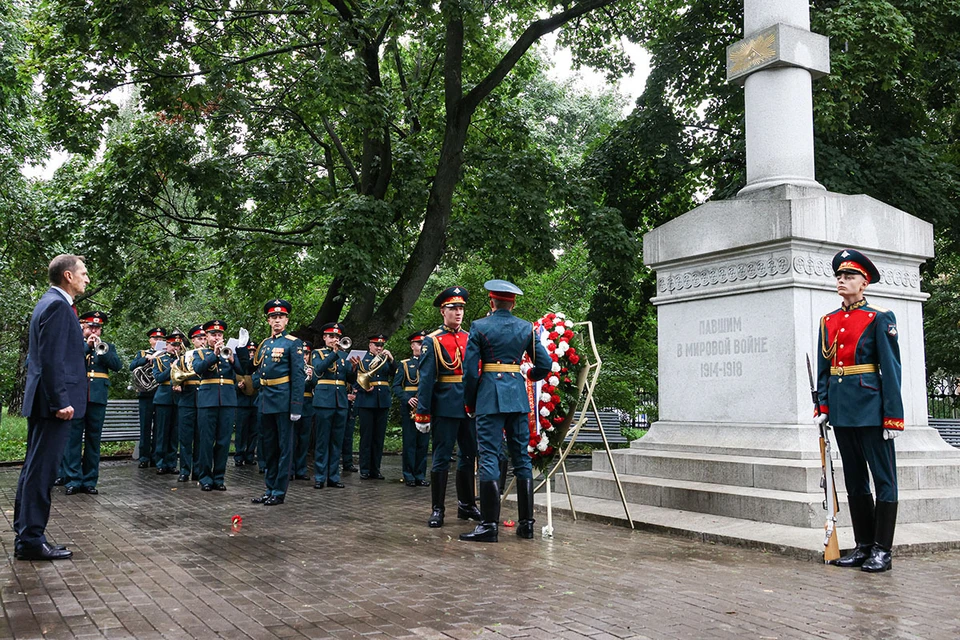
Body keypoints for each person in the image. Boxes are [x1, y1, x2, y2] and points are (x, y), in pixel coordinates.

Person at [816, 249, 903, 572]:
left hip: (871, 407)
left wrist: (893, 416)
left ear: (864, 283)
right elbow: (824, 369)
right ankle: (864, 545)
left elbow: (891, 370)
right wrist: (823, 406)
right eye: (839, 276)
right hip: (841, 410)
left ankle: (883, 549)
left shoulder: (880, 318)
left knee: (883, 479)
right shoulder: (829, 321)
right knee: (854, 480)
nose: (841, 280)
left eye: (849, 276)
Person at [460, 280, 551, 543]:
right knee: (521, 459)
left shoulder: (479, 326)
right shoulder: (526, 327)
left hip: (489, 397)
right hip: (518, 398)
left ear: (492, 302)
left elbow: (469, 371)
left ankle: (489, 526)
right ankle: (527, 525)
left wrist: (470, 400)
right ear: (512, 303)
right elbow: (543, 364)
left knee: (489, 456)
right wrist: (531, 374)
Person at [15, 254, 89, 561]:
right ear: (68, 276)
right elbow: (50, 360)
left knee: (34, 469)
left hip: (44, 402)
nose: (88, 278)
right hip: (52, 405)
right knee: (42, 471)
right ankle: (31, 539)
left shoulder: (50, 303)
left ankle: (27, 534)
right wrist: (61, 401)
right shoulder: (58, 306)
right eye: (83, 273)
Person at [414, 287, 481, 527]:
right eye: (453, 308)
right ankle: (438, 509)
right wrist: (422, 413)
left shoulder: (470, 337)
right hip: (444, 407)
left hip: (468, 407)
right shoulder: (432, 340)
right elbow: (427, 378)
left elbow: (475, 373)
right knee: (442, 457)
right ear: (443, 311)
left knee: (469, 455)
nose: (458, 312)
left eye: (461, 308)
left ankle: (466, 505)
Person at [250, 300, 306, 506]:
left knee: (285, 448)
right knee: (268, 448)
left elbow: (298, 377)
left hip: (283, 401)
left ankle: (279, 491)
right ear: (268, 321)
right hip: (265, 399)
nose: (276, 321)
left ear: (286, 320)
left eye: (280, 317)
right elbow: (258, 371)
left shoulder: (293, 343)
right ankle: (269, 487)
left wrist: (296, 406)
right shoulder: (265, 344)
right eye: (273, 318)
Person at [63, 311, 122, 495]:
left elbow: (117, 366)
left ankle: (89, 481)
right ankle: (73, 480)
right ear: (83, 328)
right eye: (90, 327)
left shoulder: (107, 346)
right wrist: (87, 347)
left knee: (93, 440)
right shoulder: (74, 345)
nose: (94, 330)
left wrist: (99, 350)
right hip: (77, 398)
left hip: (97, 398)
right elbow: (67, 363)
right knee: (73, 440)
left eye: (97, 328)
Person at [192, 320, 242, 491]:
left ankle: (219, 478)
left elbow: (242, 371)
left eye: (219, 335)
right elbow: (198, 369)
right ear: (206, 336)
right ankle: (205, 477)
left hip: (227, 400)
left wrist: (233, 358)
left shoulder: (229, 353)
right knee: (206, 441)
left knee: (223, 441)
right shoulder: (200, 353)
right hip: (207, 401)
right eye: (213, 335)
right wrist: (214, 354)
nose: (217, 337)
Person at [311, 323, 355, 489]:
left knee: (337, 441)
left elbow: (350, 379)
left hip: (340, 401)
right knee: (322, 440)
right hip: (324, 401)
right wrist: (335, 354)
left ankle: (333, 477)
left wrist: (355, 369)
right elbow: (319, 370)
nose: (335, 340)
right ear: (324, 338)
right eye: (331, 337)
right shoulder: (318, 353)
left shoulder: (345, 356)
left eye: (337, 337)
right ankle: (320, 477)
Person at [351, 334, 396, 480]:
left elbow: (396, 373)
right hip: (366, 400)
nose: (379, 348)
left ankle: (376, 469)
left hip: (382, 400)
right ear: (370, 345)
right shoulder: (362, 360)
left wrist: (392, 359)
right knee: (366, 437)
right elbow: (354, 380)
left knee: (379, 437)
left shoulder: (385, 360)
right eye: (376, 345)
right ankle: (364, 469)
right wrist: (363, 387)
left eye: (381, 346)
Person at [393, 331, 429, 487]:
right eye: (418, 343)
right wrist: (408, 398)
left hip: (426, 406)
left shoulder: (430, 363)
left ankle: (420, 475)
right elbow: (395, 386)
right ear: (412, 345)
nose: (421, 347)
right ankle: (409, 475)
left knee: (423, 442)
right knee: (410, 442)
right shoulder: (405, 364)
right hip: (410, 407)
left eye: (423, 344)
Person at [130, 327, 165, 468]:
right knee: (145, 426)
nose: (158, 341)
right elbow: (132, 367)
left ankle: (157, 457)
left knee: (159, 428)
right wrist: (146, 359)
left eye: (161, 339)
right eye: (155, 339)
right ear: (150, 340)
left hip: (161, 394)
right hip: (145, 395)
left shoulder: (165, 354)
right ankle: (144, 457)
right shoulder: (142, 353)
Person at [175, 325, 206, 482]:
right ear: (193, 340)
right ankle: (184, 471)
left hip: (204, 400)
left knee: (201, 438)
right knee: (186, 438)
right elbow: (176, 376)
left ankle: (198, 470)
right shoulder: (184, 357)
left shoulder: (209, 356)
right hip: (187, 399)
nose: (203, 341)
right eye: (199, 338)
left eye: (204, 338)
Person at [152, 330, 184, 475]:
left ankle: (171, 463)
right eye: (173, 345)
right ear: (167, 345)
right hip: (163, 398)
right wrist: (171, 368)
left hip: (178, 398)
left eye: (178, 345)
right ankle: (160, 462)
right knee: (162, 432)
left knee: (174, 433)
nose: (175, 348)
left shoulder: (184, 359)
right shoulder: (160, 359)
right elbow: (158, 378)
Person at [291, 341, 316, 481]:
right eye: (303, 353)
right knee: (292, 438)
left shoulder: (312, 368)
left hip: (307, 404)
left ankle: (301, 469)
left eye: (307, 353)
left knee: (304, 439)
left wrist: (311, 376)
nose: (305, 356)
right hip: (295, 404)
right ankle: (290, 469)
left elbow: (315, 384)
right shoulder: (292, 368)